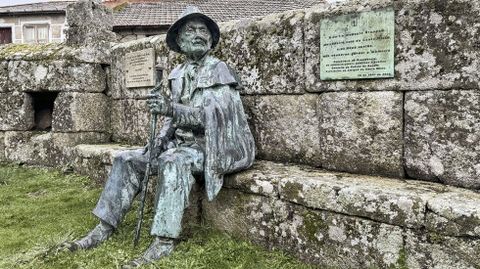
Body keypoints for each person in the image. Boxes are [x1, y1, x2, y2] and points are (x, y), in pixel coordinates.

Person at [62, 6, 255, 268]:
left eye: (203, 30)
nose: (198, 35)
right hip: (179, 144)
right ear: (179, 40)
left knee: (174, 161)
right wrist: (160, 140)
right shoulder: (177, 75)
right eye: (191, 30)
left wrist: (170, 109)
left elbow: (213, 117)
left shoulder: (218, 71)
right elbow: (169, 120)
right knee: (127, 159)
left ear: (210, 39)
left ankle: (163, 240)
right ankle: (103, 227)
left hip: (211, 147)